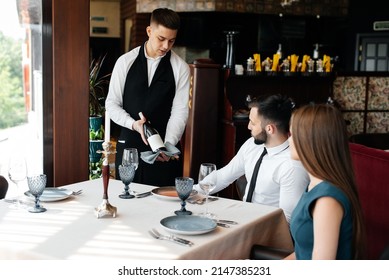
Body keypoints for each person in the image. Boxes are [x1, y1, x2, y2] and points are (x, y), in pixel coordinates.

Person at [105, 8, 190, 186]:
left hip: (164, 153)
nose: (166, 46)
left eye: (171, 41)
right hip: (129, 148)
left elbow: (180, 112)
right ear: (149, 31)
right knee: (128, 205)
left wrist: (167, 146)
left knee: (162, 208)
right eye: (161, 39)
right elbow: (111, 105)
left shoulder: (180, 68)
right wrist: (133, 124)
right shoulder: (125, 62)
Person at [194, 94, 309, 223]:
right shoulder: (252, 144)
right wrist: (193, 191)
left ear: (270, 129)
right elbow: (224, 175)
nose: (248, 126)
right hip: (243, 218)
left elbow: (287, 219)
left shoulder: (291, 166)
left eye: (253, 123)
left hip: (267, 229)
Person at [286, 103, 366, 260]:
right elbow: (303, 252)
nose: (289, 140)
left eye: (292, 134)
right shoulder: (315, 185)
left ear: (310, 141)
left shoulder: (327, 200)